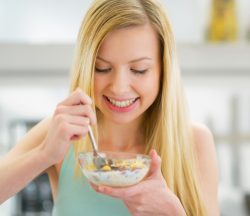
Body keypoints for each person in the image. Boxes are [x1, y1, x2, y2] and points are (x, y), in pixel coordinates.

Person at [0, 0, 219, 215]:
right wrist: (43, 155)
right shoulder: (62, 132)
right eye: (102, 68)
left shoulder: (195, 142)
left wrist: (173, 212)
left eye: (139, 70)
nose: (119, 88)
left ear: (164, 70)